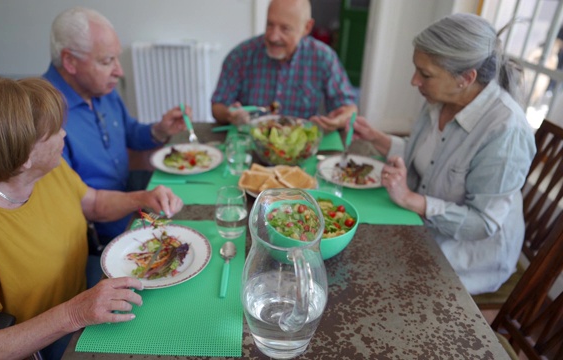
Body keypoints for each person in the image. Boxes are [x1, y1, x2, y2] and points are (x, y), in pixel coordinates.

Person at [0, 76, 184, 360]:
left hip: (82, 289)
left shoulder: (44, 168)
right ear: (23, 155)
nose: (64, 135)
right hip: (37, 342)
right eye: (55, 131)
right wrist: (73, 313)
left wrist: (141, 198)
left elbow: (93, 202)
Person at [352, 13, 536, 295]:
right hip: (423, 229)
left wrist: (410, 199)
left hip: (468, 257)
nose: (415, 81)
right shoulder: (440, 100)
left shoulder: (506, 131)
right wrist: (377, 138)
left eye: (425, 74)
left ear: (466, 78)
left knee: (371, 279)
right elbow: (429, 156)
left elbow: (481, 224)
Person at [44, 7, 189, 243]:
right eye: (106, 61)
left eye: (116, 58)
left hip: (129, 196)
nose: (119, 71)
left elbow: (130, 133)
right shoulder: (44, 115)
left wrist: (158, 130)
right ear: (70, 61)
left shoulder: (100, 88)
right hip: (96, 232)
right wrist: (139, 199)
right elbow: (81, 204)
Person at [211, 0, 357, 132]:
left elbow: (349, 108)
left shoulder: (324, 57)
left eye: (285, 28)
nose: (273, 37)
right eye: (270, 24)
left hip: (300, 146)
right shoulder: (240, 55)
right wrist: (229, 115)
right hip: (251, 142)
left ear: (307, 27)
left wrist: (336, 121)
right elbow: (217, 106)